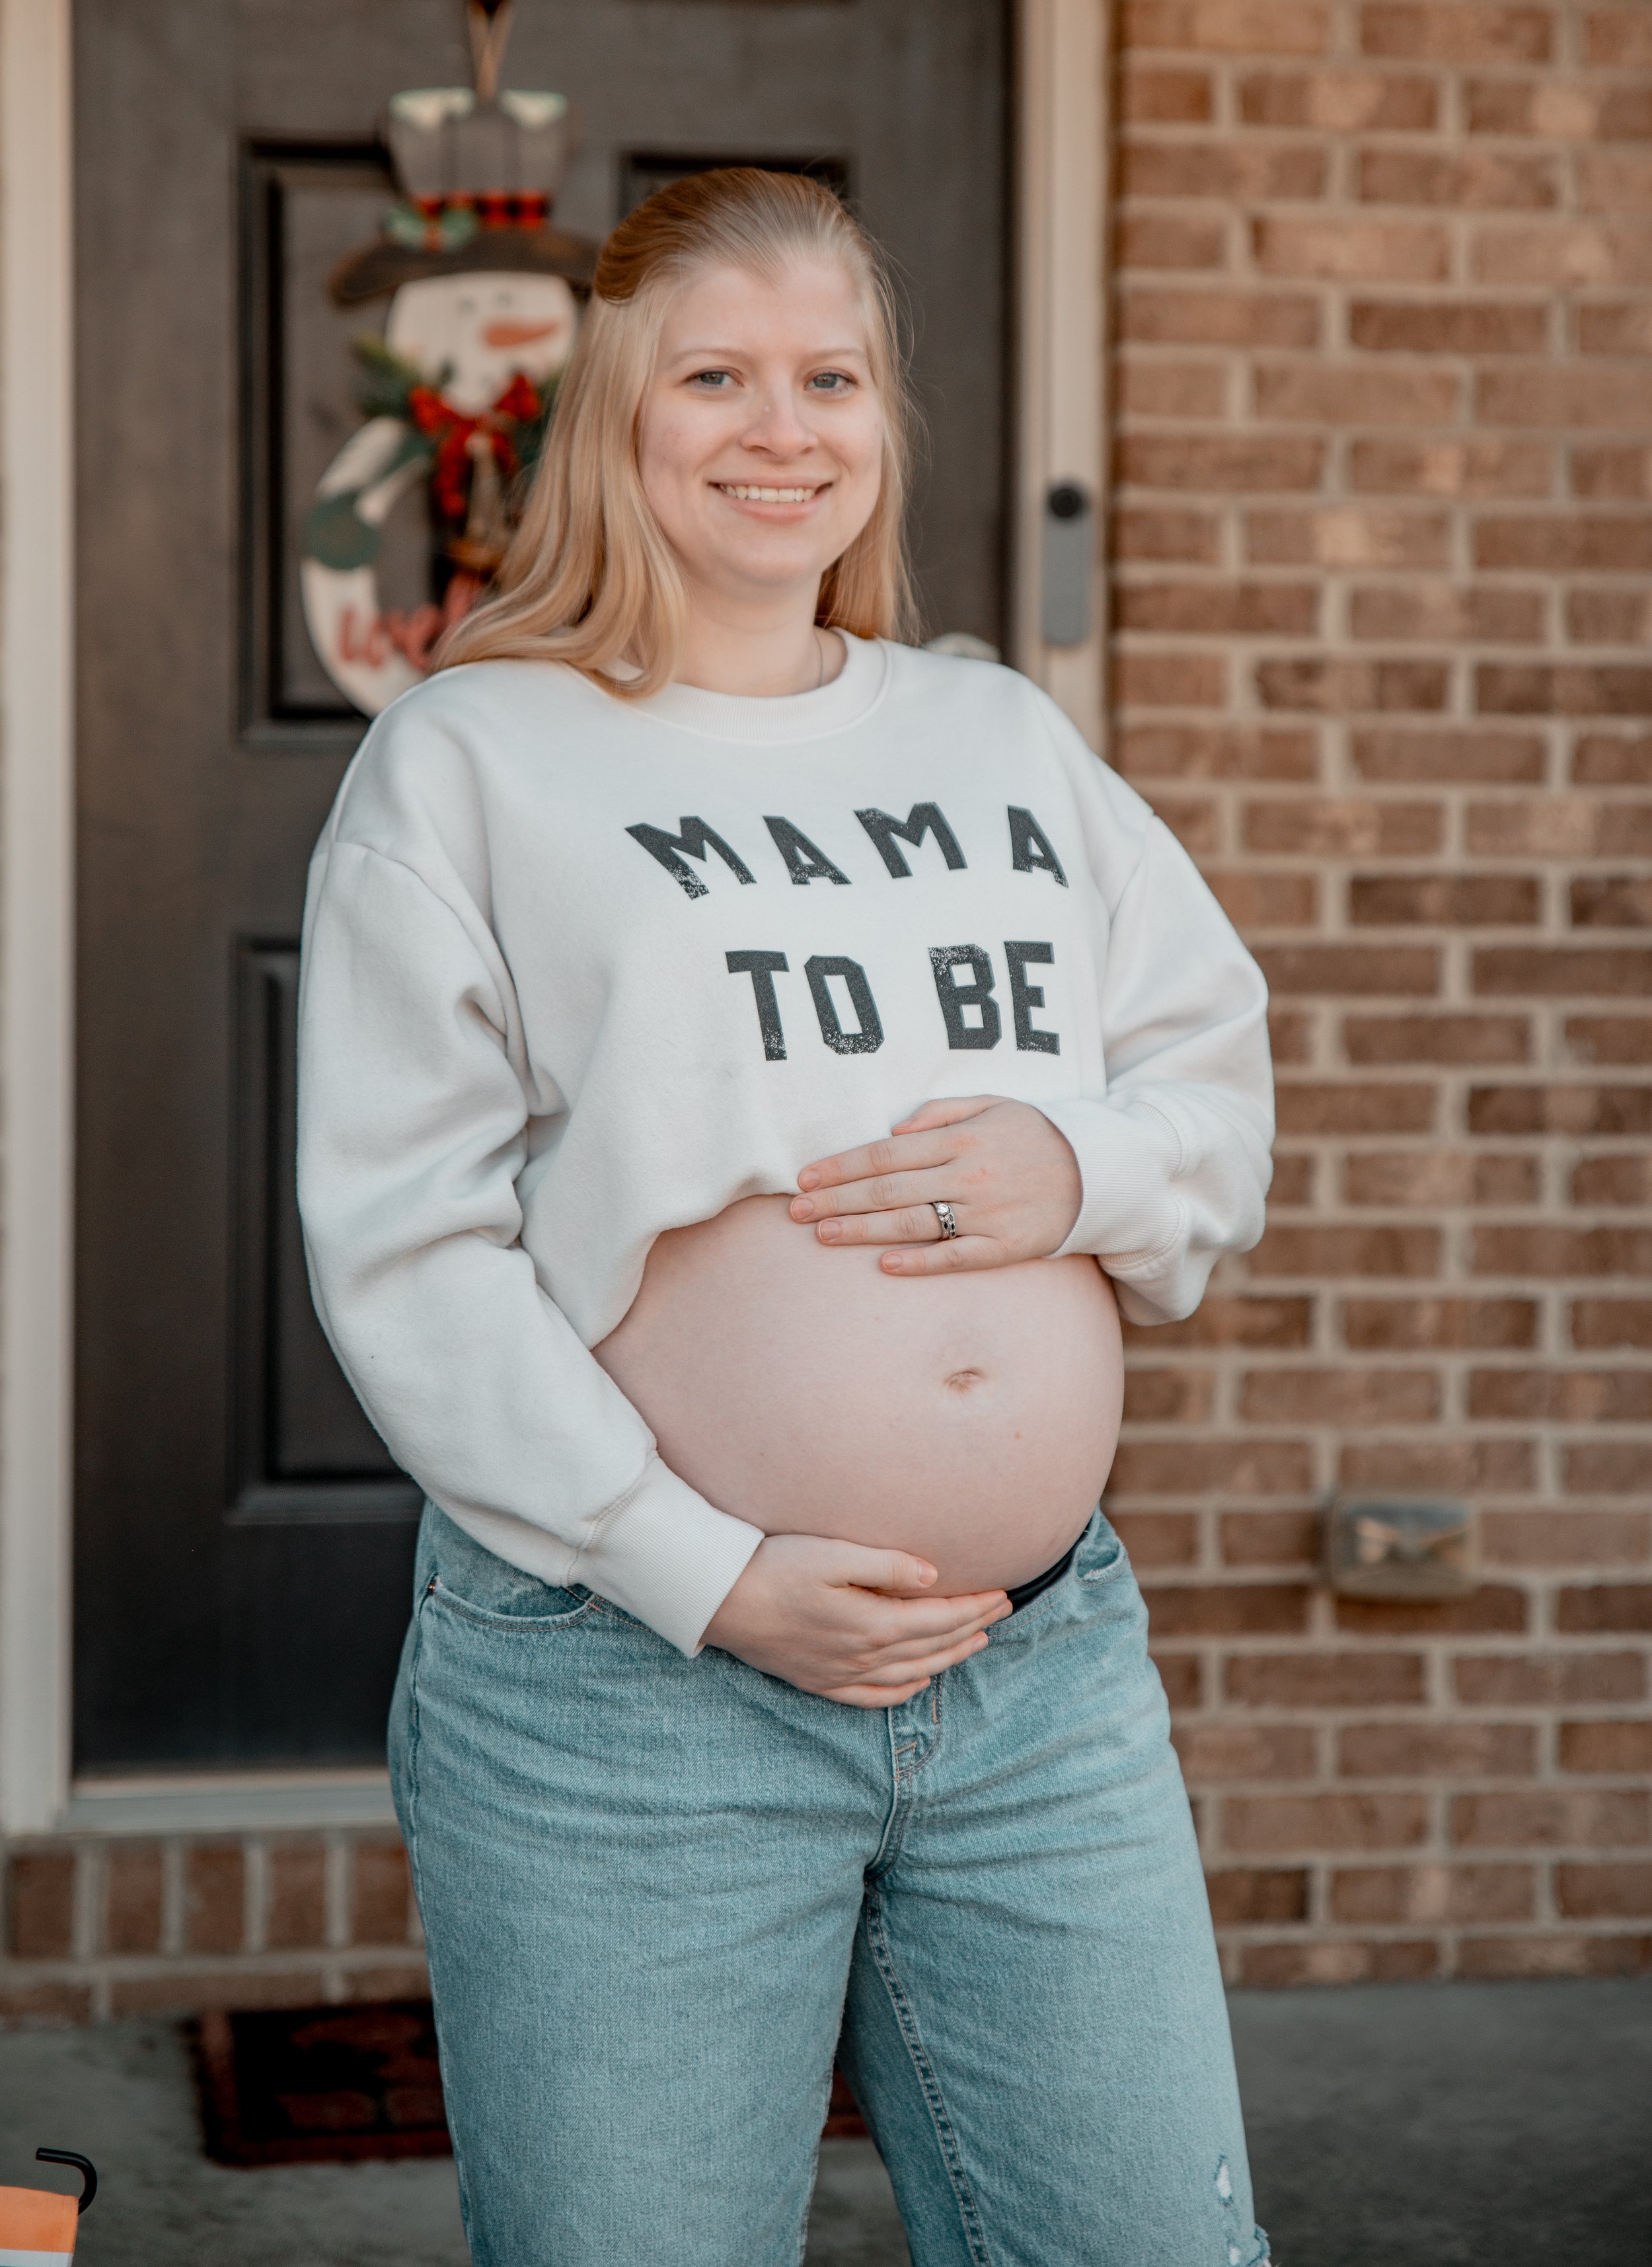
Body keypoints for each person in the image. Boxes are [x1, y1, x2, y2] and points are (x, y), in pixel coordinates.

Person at [297, 168, 1275, 2267]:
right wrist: (703, 1569)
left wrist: (1077, 1167)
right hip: (631, 1691)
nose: (781, 426)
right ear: (619, 419)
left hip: (1039, 1677)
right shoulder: (478, 757)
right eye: (715, 376)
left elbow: (1209, 1073)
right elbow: (407, 1251)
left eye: (828, 376)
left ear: (880, 421)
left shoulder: (996, 731)